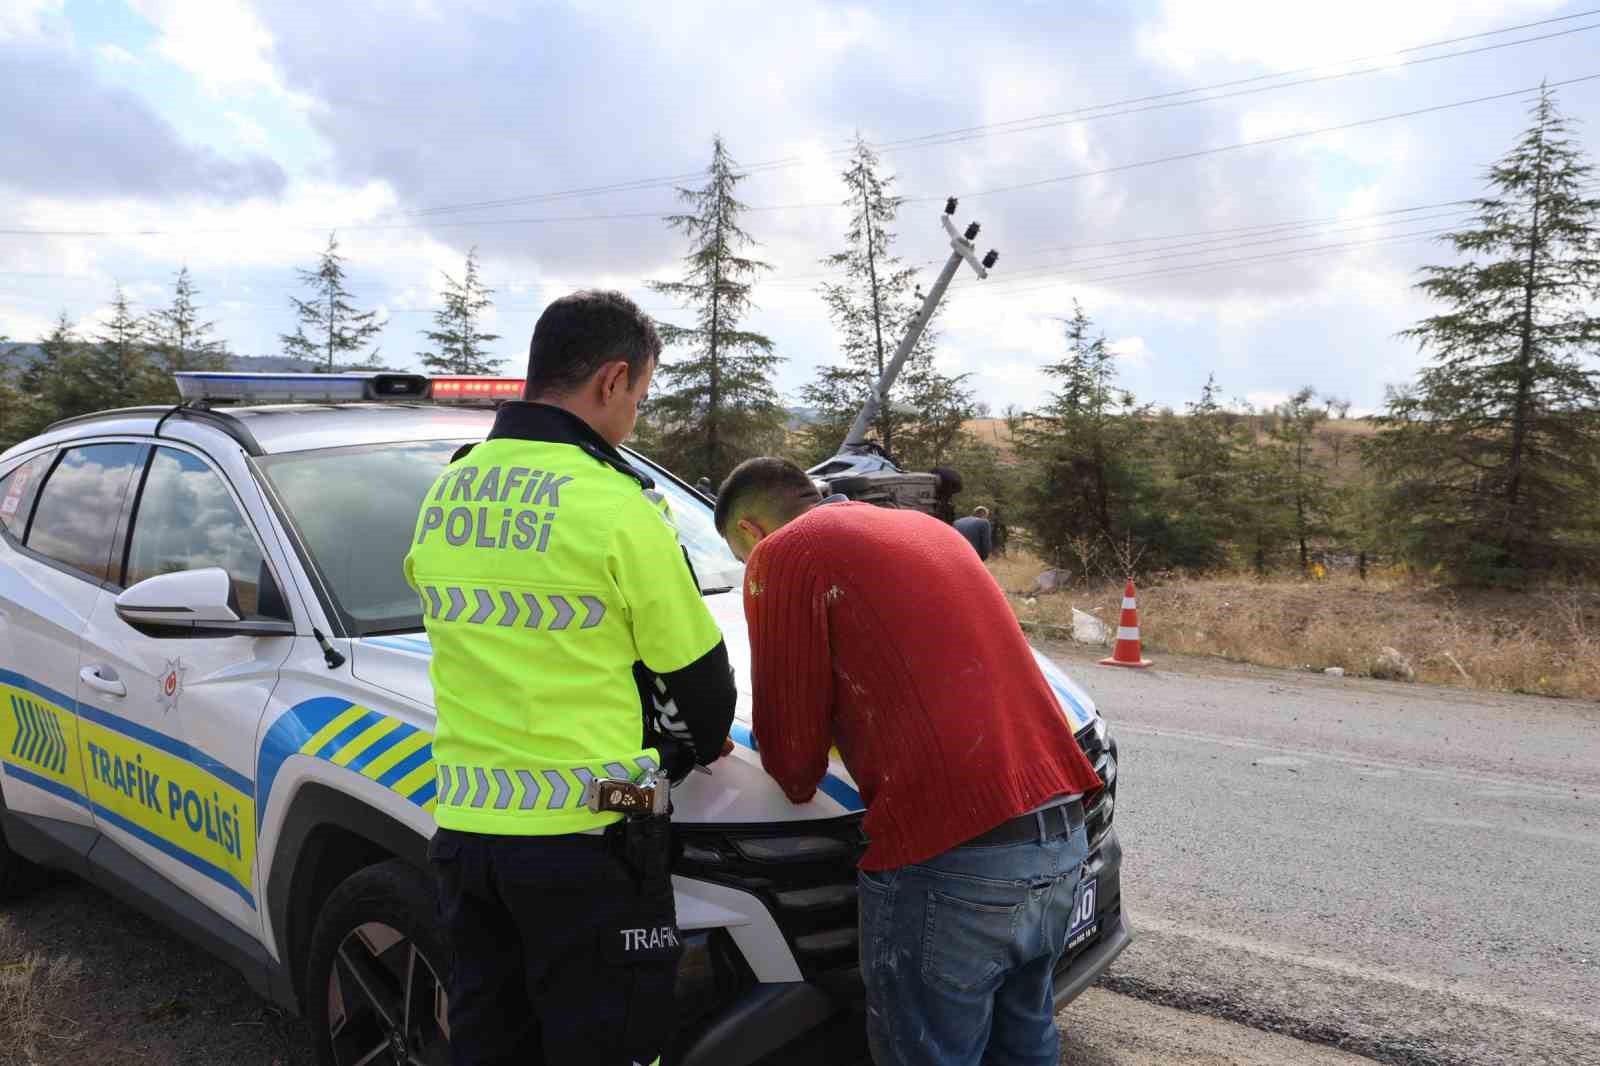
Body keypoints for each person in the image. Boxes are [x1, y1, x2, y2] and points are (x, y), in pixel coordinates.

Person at [406, 290, 737, 1066]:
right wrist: (689, 748)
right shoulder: (618, 504)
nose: (635, 419)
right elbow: (702, 688)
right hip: (596, 829)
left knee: (491, 1040)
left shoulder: (448, 490)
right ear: (612, 381)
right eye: (642, 399)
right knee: (615, 1044)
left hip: (468, 832)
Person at [713, 457, 1104, 1066]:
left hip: (957, 860)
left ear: (751, 535)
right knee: (1024, 1041)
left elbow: (793, 766)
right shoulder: (925, 531)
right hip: (1060, 835)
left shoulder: (786, 551)